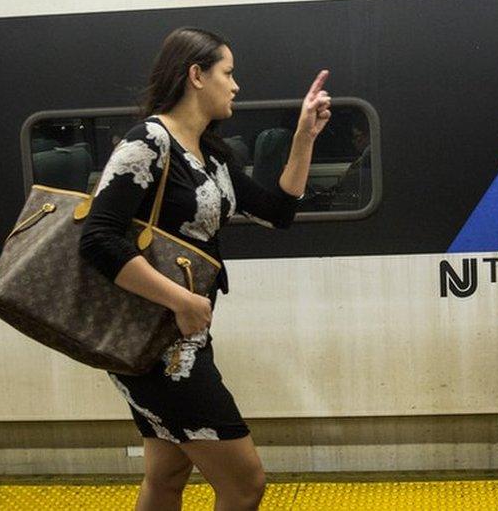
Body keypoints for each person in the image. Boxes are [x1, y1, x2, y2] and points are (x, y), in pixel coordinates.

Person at [79, 27, 331, 511]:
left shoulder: (210, 154)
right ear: (196, 75)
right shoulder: (147, 142)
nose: (236, 86)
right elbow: (98, 238)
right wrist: (182, 300)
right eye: (228, 73)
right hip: (157, 346)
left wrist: (304, 137)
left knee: (167, 475)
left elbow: (278, 211)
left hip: (180, 339)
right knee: (245, 483)